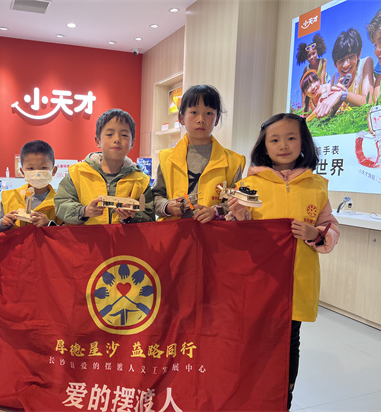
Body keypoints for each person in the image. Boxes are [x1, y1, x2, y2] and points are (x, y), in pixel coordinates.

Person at [227, 113, 340, 410]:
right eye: (275, 140)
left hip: (296, 281)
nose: (283, 145)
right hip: (257, 281)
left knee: (290, 341)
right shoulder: (249, 184)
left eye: (291, 138)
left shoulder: (316, 185)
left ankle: (282, 400)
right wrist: (239, 217)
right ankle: (250, 397)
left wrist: (316, 234)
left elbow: (330, 226)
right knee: (254, 340)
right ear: (264, 145)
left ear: (304, 142)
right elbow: (235, 238)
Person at [152, 84, 246, 222]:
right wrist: (167, 206)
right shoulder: (167, 158)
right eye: (194, 112)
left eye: (209, 113)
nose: (201, 119)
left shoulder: (233, 161)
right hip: (174, 233)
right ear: (182, 118)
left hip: (213, 233)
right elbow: (155, 197)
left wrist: (215, 211)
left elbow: (237, 202)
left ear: (217, 119)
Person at [55, 108, 154, 224]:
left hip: (125, 236)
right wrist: (84, 211)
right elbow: (61, 205)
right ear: (98, 141)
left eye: (124, 135)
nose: (117, 139)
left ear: (132, 143)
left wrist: (131, 216)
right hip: (86, 236)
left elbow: (149, 217)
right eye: (110, 134)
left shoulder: (141, 181)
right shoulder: (77, 173)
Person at [0, 140, 62, 229]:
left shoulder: (60, 202)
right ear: (22, 171)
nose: (37, 173)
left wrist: (49, 224)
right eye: (31, 168)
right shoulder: (9, 198)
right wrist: (2, 223)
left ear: (53, 171)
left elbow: (65, 232)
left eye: (43, 168)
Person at [317, 28, 374, 114]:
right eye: (341, 60)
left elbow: (368, 102)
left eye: (350, 57)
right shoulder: (336, 77)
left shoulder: (365, 63)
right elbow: (333, 109)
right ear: (335, 64)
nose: (346, 65)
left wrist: (343, 94)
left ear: (359, 54)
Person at [296, 33, 330, 110]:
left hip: (325, 81)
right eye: (309, 56)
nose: (312, 57)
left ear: (317, 52)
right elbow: (304, 86)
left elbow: (322, 79)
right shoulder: (306, 69)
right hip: (313, 85)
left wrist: (322, 92)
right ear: (306, 58)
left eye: (313, 54)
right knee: (310, 94)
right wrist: (304, 105)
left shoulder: (323, 61)